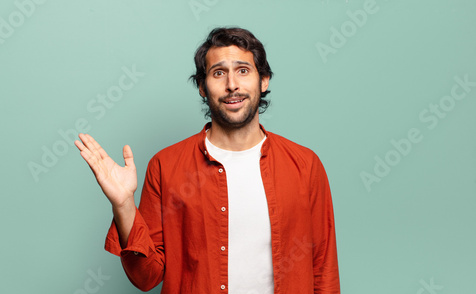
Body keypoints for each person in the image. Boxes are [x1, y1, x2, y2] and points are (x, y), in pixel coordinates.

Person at [75, 27, 340, 294]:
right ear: (202, 86)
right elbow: (146, 277)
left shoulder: (305, 165)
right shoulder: (165, 166)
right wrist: (123, 206)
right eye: (219, 73)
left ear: (264, 81)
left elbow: (323, 269)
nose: (232, 84)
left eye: (243, 70)